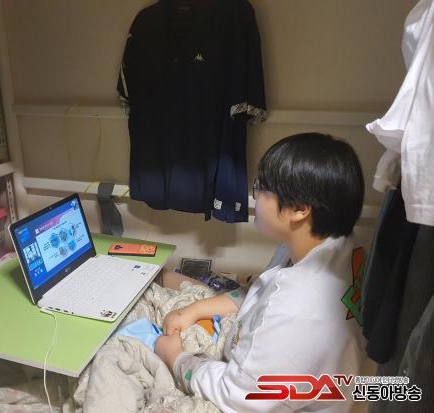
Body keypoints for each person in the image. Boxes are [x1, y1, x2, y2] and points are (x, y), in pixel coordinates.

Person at [155, 132, 368, 412]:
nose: (255, 196)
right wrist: (192, 311)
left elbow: (235, 395)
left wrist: (175, 357)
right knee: (165, 278)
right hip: (281, 374)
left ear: (299, 209)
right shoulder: (334, 243)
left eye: (262, 189)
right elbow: (259, 291)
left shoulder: (296, 308)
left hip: (262, 400)